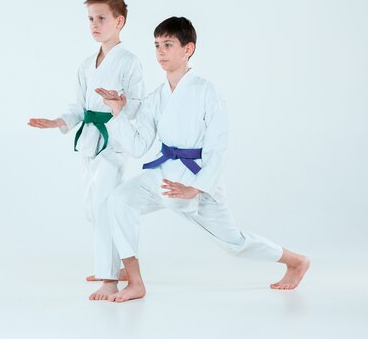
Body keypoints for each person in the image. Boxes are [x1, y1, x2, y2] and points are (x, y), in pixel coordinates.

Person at [93, 16, 309, 302]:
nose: (160, 52)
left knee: (234, 243)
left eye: (168, 45)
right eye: (157, 45)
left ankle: (296, 261)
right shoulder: (156, 98)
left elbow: (218, 147)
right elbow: (138, 146)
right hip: (164, 174)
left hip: (197, 177)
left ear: (188, 49)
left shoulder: (207, 92)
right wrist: (118, 111)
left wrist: (198, 186)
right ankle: (134, 280)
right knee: (119, 200)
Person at [28, 0, 144, 285]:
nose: (94, 24)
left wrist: (119, 104)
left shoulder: (129, 61)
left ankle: (109, 277)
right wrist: (57, 121)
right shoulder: (85, 65)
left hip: (114, 141)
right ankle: (113, 264)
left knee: (105, 204)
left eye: (101, 18)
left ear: (119, 22)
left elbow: (138, 104)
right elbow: (78, 108)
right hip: (89, 140)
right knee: (92, 207)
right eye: (90, 18)